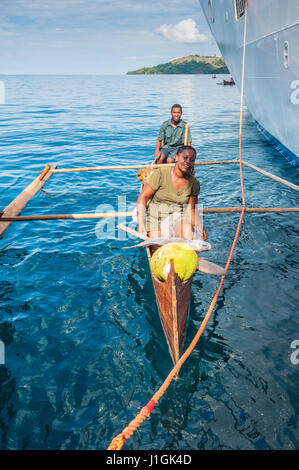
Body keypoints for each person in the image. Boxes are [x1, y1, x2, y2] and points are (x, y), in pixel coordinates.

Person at [137, 145, 206, 240]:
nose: (188, 162)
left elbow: (191, 209)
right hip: (156, 216)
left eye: (191, 160)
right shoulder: (160, 174)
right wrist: (140, 223)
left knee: (188, 235)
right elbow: (143, 198)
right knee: (157, 244)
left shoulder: (194, 183)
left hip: (178, 215)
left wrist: (199, 226)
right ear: (176, 157)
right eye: (185, 158)